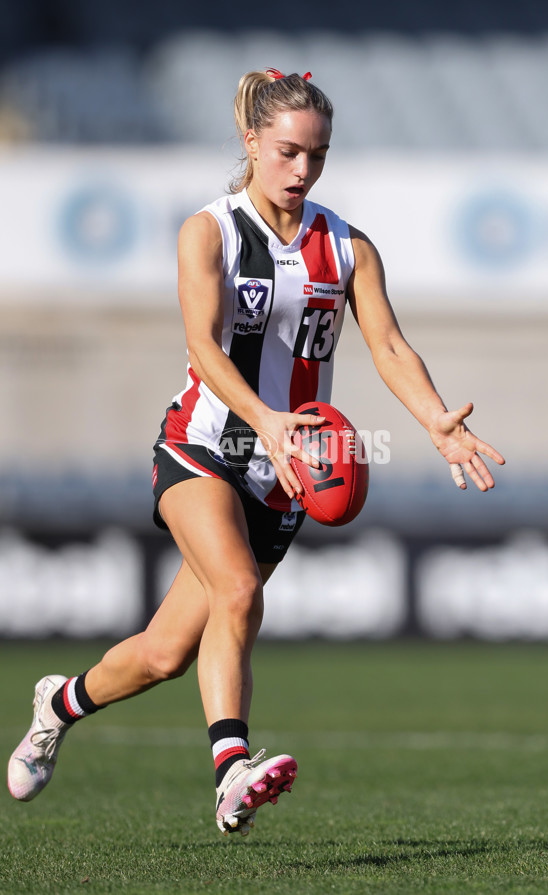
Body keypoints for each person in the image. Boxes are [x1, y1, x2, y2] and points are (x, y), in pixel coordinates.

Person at [7, 68, 505, 836]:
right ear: (251, 141)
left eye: (318, 154)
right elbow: (203, 348)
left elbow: (389, 345)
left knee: (165, 652)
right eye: (287, 151)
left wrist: (437, 417)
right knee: (239, 590)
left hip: (284, 472)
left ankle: (59, 702)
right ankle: (231, 767)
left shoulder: (348, 247)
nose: (302, 170)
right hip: (205, 441)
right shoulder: (208, 230)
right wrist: (264, 416)